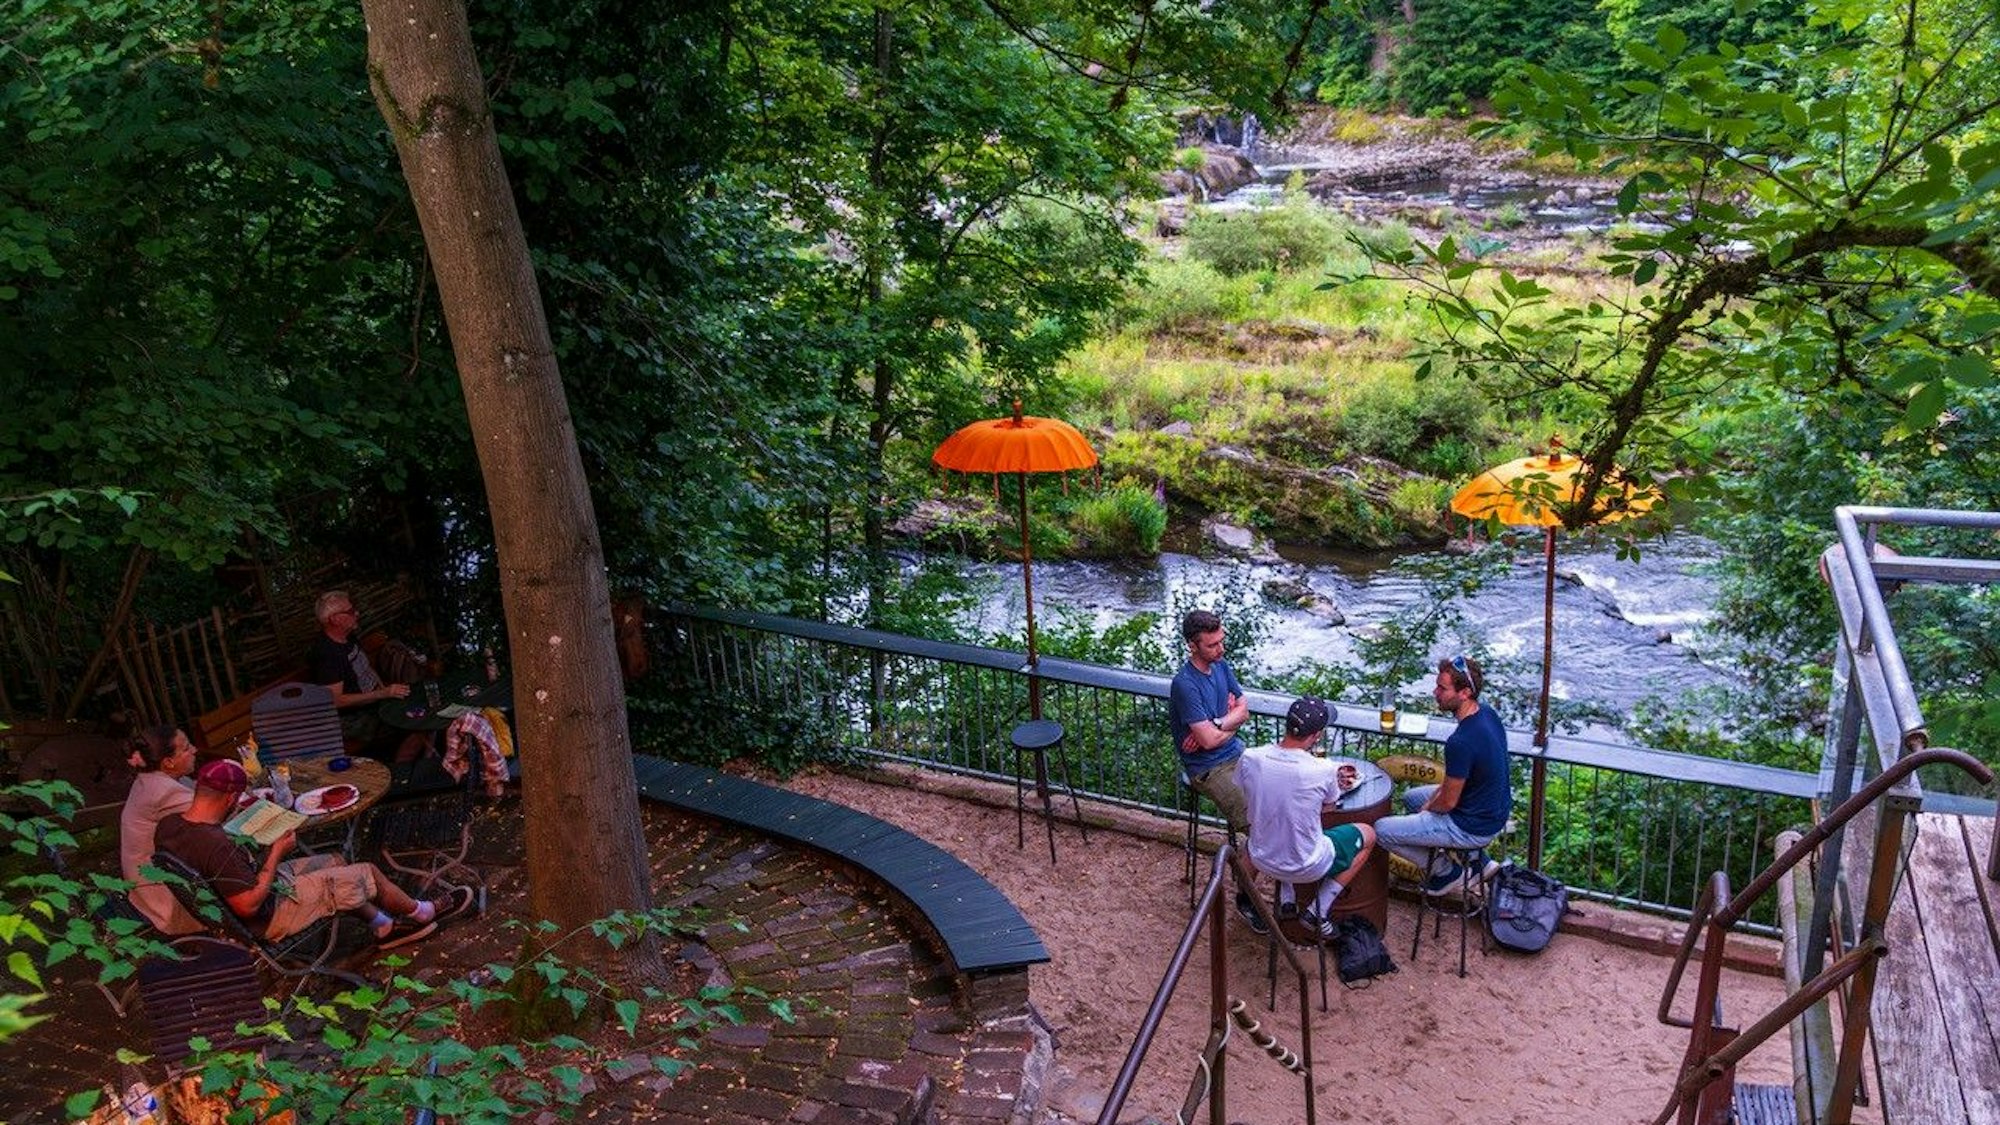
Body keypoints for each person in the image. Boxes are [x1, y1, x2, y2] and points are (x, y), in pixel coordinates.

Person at [155, 760, 471, 949]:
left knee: (335, 861)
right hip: (267, 917)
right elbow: (249, 904)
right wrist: (276, 852)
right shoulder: (216, 846)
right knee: (366, 872)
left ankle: (382, 925)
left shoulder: (169, 826)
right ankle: (422, 912)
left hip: (243, 892)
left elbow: (220, 867)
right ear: (229, 797)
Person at [1236, 697, 1377, 939]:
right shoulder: (1322, 770)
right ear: (1318, 735)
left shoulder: (1251, 757)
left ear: (1287, 725)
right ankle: (1318, 910)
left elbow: (1248, 791)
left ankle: (1267, 899)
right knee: (1369, 835)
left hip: (1263, 858)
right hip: (1308, 865)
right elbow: (1329, 807)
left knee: (1263, 835)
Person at [1375, 655, 1512, 893]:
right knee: (1411, 798)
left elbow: (1447, 802)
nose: (1435, 692)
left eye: (1442, 688)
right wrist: (1428, 804)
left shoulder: (1461, 742)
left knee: (1381, 831)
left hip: (1471, 825)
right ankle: (1477, 861)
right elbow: (1454, 785)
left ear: (1465, 692)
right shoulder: (1487, 714)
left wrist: (1429, 809)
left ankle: (1446, 871)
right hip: (1492, 810)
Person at [1169, 609, 1265, 933]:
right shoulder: (1185, 685)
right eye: (1212, 645)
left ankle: (1270, 878)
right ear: (1192, 646)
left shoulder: (1221, 666)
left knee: (1281, 800)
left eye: (1221, 642)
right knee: (1260, 826)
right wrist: (1225, 724)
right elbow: (1207, 743)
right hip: (1207, 769)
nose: (1221, 650)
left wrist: (1220, 724)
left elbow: (1243, 710)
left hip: (1236, 754)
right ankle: (1245, 898)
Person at [309, 589, 428, 763]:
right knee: (413, 725)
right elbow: (334, 700)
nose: (356, 613)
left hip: (374, 703)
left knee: (421, 708)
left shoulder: (348, 637)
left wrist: (384, 691)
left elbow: (367, 669)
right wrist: (382, 694)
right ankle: (400, 775)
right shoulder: (327, 654)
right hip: (351, 719)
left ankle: (420, 764)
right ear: (335, 619)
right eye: (350, 611)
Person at [118, 724, 201, 934]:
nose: (195, 750)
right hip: (164, 900)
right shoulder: (163, 791)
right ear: (168, 762)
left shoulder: (149, 779)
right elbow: (211, 812)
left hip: (142, 886)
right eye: (186, 747)